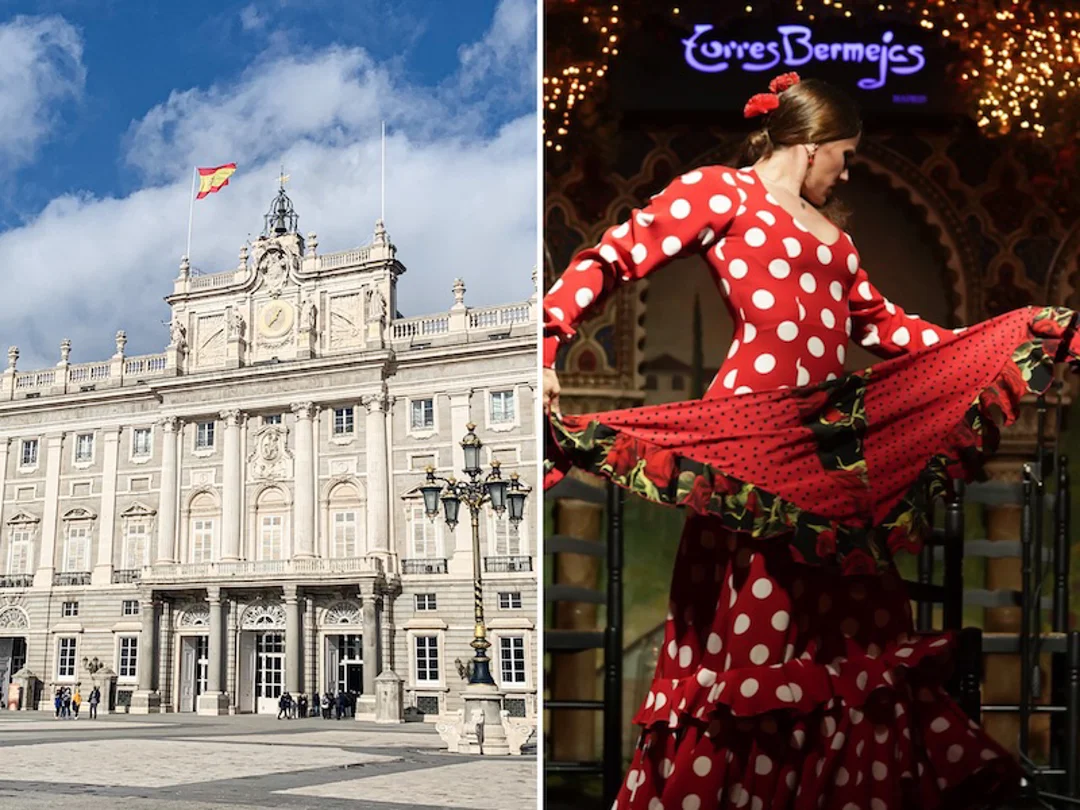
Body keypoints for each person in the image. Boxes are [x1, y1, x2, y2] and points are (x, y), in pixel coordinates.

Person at [540, 73, 1076, 809]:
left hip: (826, 456)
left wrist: (992, 346)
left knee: (860, 634)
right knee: (758, 625)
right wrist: (542, 346)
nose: (846, 171)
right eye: (845, 155)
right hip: (757, 441)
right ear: (814, 143)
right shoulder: (720, 192)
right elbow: (615, 256)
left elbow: (886, 329)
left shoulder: (836, 238)